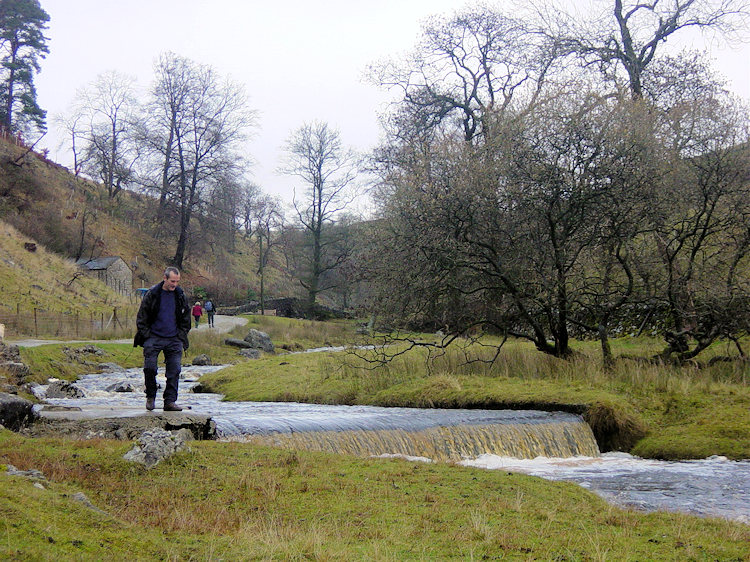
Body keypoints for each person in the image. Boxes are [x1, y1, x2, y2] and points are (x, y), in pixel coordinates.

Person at [134, 266, 191, 412]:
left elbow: (186, 318)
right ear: (164, 278)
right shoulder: (153, 294)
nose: (174, 284)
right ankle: (151, 396)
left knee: (175, 370)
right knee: (150, 368)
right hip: (153, 337)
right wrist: (146, 335)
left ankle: (170, 401)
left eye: (177, 281)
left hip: (174, 339)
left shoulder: (180, 295)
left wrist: (181, 335)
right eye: (172, 281)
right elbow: (142, 317)